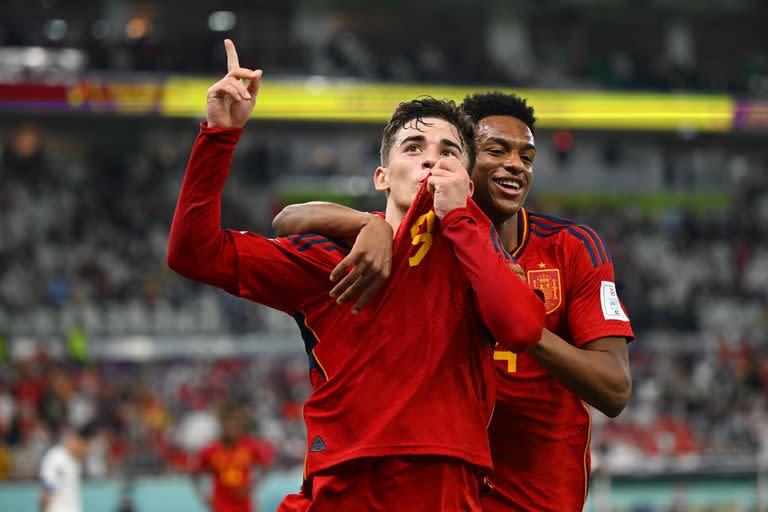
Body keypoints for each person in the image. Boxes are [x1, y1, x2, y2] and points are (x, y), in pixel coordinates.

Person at [167, 40, 545, 511]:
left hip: (443, 488)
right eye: (414, 147)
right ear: (382, 177)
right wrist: (219, 136)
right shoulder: (329, 258)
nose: (431, 158)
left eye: (449, 151)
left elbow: (523, 329)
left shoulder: (482, 262)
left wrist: (462, 220)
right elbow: (193, 254)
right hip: (341, 488)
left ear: (467, 181)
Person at [273, 91, 635, 511]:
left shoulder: (571, 248)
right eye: (495, 151)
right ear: (457, 165)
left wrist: (515, 317)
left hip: (536, 501)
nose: (515, 165)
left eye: (526, 156)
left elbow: (615, 389)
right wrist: (363, 224)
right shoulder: (407, 242)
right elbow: (288, 220)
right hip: (437, 492)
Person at [192, 404, 274, 512]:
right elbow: (195, 474)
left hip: (244, 506)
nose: (234, 429)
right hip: (220, 506)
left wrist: (250, 486)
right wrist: (204, 496)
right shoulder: (210, 450)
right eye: (230, 425)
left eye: (237, 425)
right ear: (222, 426)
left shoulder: (249, 446)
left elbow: (266, 466)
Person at [38, 422, 98, 512]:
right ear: (81, 442)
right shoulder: (55, 458)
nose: (88, 451)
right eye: (88, 446)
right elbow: (46, 491)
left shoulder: (75, 462)